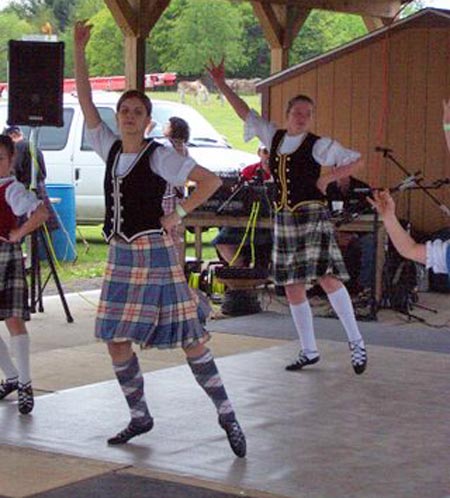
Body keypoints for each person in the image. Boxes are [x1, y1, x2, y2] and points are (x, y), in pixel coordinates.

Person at [74, 21, 246, 456]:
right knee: (114, 337)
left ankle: (227, 414)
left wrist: (181, 213)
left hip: (154, 253)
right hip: (120, 253)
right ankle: (139, 415)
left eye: (136, 112)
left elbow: (209, 181)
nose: (128, 116)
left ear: (148, 121)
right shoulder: (109, 147)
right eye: (124, 111)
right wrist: (79, 50)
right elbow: (85, 101)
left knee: (191, 337)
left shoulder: (160, 156)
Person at [208, 58, 367, 375]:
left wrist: (327, 179)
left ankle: (357, 343)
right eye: (297, 112)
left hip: (311, 215)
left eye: (307, 114)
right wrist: (223, 84)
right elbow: (245, 113)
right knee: (293, 286)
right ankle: (309, 350)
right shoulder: (274, 137)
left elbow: (357, 161)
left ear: (311, 118)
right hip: (284, 217)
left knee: (327, 277)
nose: (302, 118)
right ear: (288, 114)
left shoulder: (319, 145)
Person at [0, 134, 49, 414]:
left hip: (5, 255)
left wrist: (18, 233)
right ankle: (12, 377)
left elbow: (40, 213)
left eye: (0, 159)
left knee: (13, 319)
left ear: (10, 161)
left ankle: (25, 384)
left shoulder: (12, 189)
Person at [213, 143, 273, 267]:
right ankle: (240, 271)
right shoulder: (248, 171)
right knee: (222, 241)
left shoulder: (284, 172)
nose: (269, 156)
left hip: (273, 223)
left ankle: (259, 274)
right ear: (259, 153)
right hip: (245, 221)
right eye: (266, 151)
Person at [326, 175, 375, 298]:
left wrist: (353, 234)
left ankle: (364, 287)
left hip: (360, 233)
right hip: (335, 232)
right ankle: (326, 286)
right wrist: (338, 234)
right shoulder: (328, 188)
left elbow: (370, 215)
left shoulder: (362, 188)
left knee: (370, 243)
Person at [3, 125, 58, 232]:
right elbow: (43, 172)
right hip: (39, 186)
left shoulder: (18, 147)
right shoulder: (33, 146)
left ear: (13, 135)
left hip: (28, 188)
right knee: (43, 229)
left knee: (26, 226)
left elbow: (15, 170)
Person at [159, 117, 190, 262]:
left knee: (166, 228)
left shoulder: (167, 146)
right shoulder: (183, 148)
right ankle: (176, 260)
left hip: (167, 193)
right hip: (177, 194)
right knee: (175, 229)